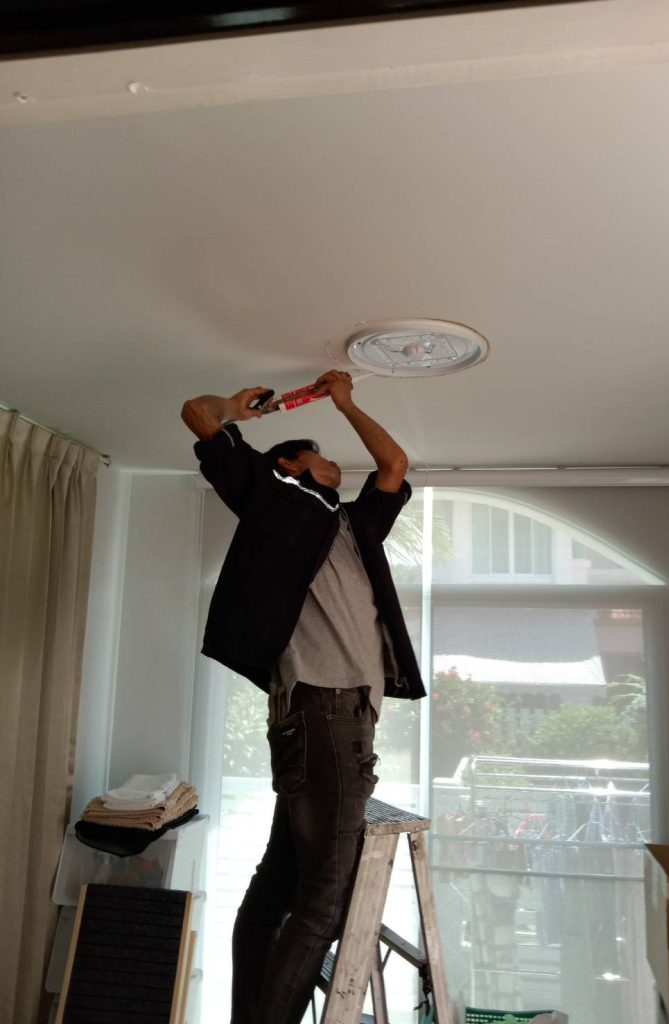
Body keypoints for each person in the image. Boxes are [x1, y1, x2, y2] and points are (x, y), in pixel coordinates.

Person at [181, 369, 425, 1024]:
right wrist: (234, 407)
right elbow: (197, 414)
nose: (326, 455)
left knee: (279, 888)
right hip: (324, 710)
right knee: (325, 901)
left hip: (330, 718)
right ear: (288, 465)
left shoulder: (355, 526)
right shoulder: (272, 503)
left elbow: (394, 462)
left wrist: (344, 401)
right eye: (311, 448)